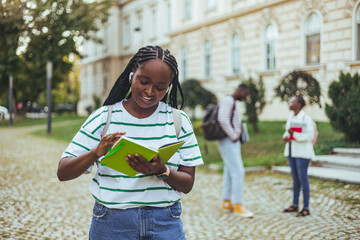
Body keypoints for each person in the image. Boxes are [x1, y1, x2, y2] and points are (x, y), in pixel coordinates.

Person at [57, 45, 203, 239]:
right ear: (132, 74)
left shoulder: (178, 121)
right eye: (143, 81)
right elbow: (63, 172)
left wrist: (161, 170)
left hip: (165, 223)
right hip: (111, 224)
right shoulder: (103, 118)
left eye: (160, 87)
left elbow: (187, 184)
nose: (150, 92)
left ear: (169, 86)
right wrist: (95, 153)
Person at [217, 83, 253, 217]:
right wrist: (233, 135)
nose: (246, 97)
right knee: (238, 171)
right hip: (228, 141)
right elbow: (222, 119)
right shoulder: (228, 100)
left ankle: (226, 201)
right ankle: (238, 205)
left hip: (229, 141)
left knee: (229, 170)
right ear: (240, 90)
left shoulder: (231, 101)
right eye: (246, 94)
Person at [282, 96, 315, 217]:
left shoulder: (306, 118)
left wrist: (294, 134)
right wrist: (285, 137)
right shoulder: (291, 117)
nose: (290, 103)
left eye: (293, 101)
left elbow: (310, 136)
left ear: (299, 104)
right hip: (291, 151)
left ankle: (306, 208)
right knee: (295, 179)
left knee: (303, 179)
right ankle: (295, 204)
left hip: (302, 153)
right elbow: (287, 132)